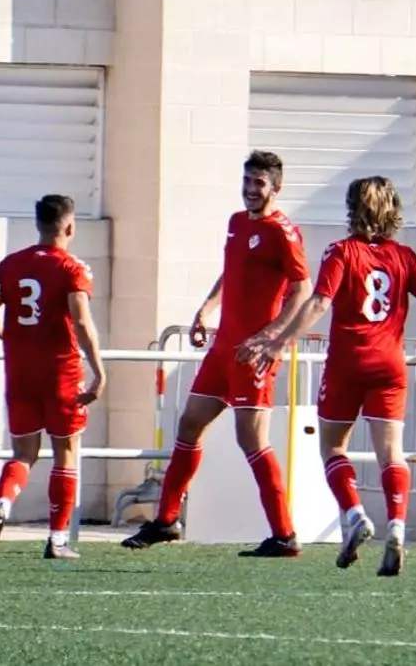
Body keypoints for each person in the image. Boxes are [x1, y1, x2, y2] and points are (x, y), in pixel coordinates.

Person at [241, 175, 416, 576]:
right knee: (392, 454)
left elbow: (319, 303)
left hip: (347, 364)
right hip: (389, 366)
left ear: (352, 209)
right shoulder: (405, 257)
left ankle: (355, 515)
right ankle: (396, 526)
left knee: (333, 448)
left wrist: (280, 342)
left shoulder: (341, 251)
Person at [120, 150, 313, 558]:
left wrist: (270, 337)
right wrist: (206, 309)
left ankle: (284, 534)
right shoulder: (237, 223)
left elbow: (302, 290)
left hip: (253, 354)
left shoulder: (284, 232)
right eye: (246, 181)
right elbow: (233, 270)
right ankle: (166, 521)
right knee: (189, 423)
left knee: (251, 439)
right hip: (223, 348)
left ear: (276, 188)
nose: (250, 189)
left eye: (259, 183)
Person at [0, 194, 106, 560]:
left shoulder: (10, 265)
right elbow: (82, 322)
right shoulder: (73, 269)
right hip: (61, 373)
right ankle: (57, 539)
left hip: (20, 372)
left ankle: (3, 502)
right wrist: (99, 371)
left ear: (38, 224)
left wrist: (8, 336)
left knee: (23, 454)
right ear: (70, 226)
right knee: (66, 452)